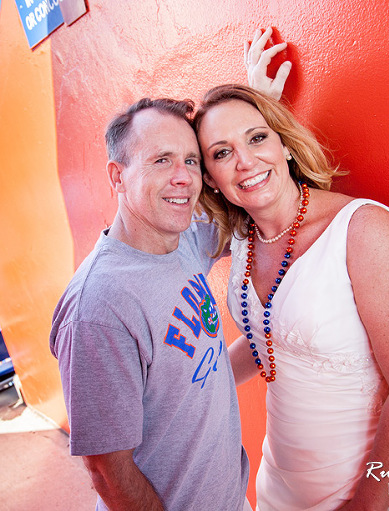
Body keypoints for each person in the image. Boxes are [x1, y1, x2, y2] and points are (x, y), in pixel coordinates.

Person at [193, 79, 389, 510]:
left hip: (385, 487)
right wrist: (192, 386)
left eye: (257, 138)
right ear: (211, 179)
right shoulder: (243, 240)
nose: (245, 161)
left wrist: (365, 506)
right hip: (284, 480)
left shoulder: (363, 230)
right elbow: (269, 337)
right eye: (222, 153)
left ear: (285, 146)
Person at [49, 98, 249, 510]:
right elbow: (108, 472)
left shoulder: (185, 239)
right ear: (117, 177)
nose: (184, 178)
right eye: (161, 160)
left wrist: (255, 105)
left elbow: (253, 209)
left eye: (191, 161)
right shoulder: (97, 309)